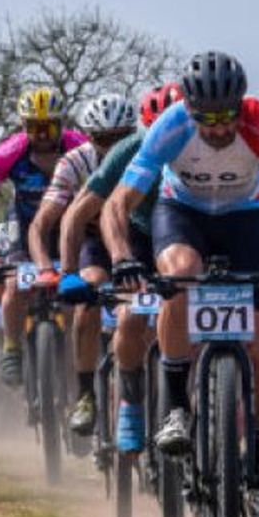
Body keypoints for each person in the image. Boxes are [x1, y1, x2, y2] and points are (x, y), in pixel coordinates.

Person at [101, 51, 259, 517]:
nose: (219, 127)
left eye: (228, 116)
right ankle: (178, 409)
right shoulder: (172, 125)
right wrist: (121, 256)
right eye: (208, 118)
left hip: (243, 219)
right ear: (190, 108)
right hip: (181, 213)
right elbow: (118, 204)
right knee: (180, 276)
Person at [55, 81, 180, 453]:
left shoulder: (205, 146)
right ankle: (123, 402)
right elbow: (73, 214)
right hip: (132, 237)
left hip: (185, 233)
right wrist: (66, 274)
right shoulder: (121, 153)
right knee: (128, 315)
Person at [0, 88, 88, 386]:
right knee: (15, 284)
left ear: (61, 124)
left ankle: (72, 357)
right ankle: (11, 348)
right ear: (23, 126)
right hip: (24, 223)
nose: (42, 134)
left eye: (49, 126)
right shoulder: (11, 151)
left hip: (66, 225)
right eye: (33, 126)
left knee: (74, 297)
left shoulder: (79, 146)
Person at [27, 92, 138, 436]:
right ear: (90, 138)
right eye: (104, 140)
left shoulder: (146, 154)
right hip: (93, 243)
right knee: (87, 301)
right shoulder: (73, 163)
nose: (112, 146)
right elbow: (42, 224)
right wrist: (54, 269)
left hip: (136, 240)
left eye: (121, 138)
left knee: (143, 309)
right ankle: (86, 393)